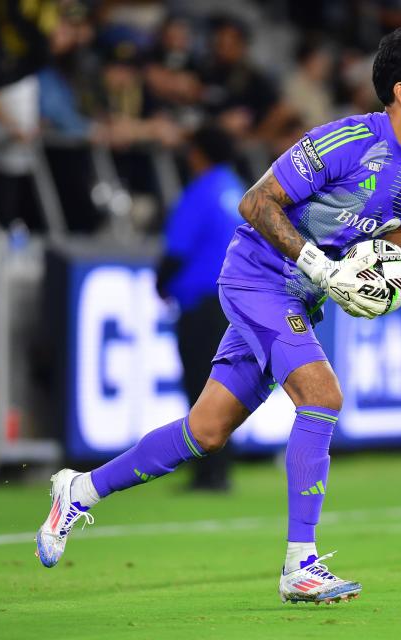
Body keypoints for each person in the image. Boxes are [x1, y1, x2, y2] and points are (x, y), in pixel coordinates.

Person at [35, 26, 401, 604]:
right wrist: (317, 262)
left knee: (205, 432)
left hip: (301, 294)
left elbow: (396, 223)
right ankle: (300, 565)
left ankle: (80, 490)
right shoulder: (343, 141)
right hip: (257, 278)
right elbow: (256, 201)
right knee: (323, 396)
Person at [154, 125, 244, 492]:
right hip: (235, 304)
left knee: (200, 388)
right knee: (226, 388)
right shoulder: (236, 188)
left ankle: (208, 473)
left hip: (203, 306)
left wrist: (160, 284)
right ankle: (220, 468)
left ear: (198, 153)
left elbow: (176, 250)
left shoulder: (201, 191)